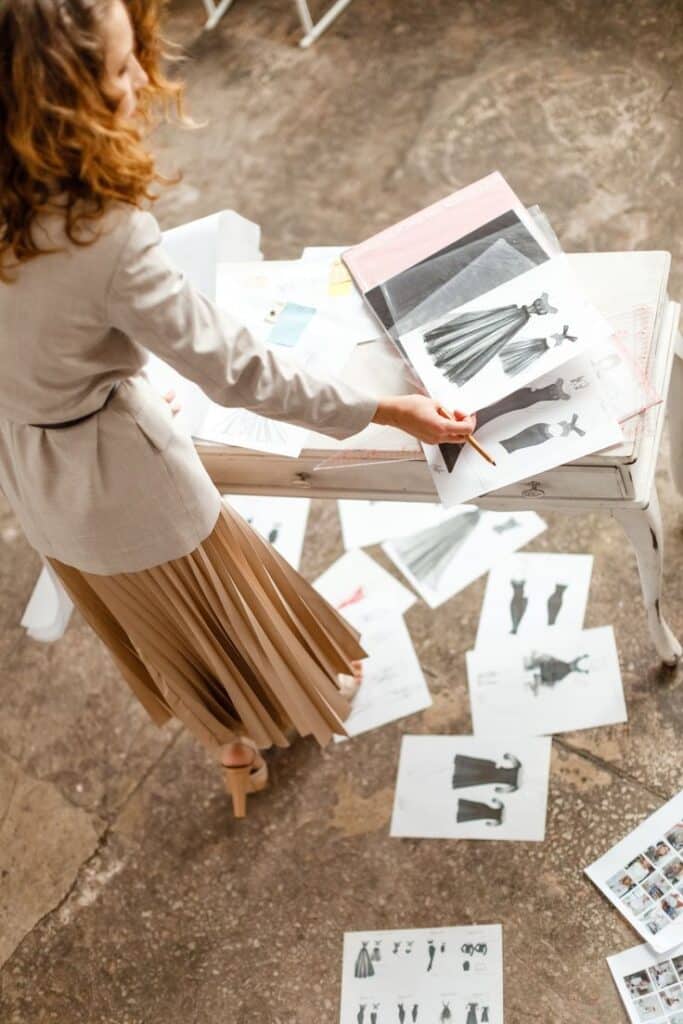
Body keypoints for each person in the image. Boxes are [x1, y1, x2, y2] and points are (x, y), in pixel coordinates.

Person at [0, 0, 475, 818]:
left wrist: (60, 372)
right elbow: (241, 372)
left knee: (162, 629)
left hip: (33, 477)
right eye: (119, 68)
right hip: (131, 487)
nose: (142, 80)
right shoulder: (102, 235)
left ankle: (227, 745)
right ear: (57, 103)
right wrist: (384, 410)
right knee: (229, 607)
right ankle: (263, 724)